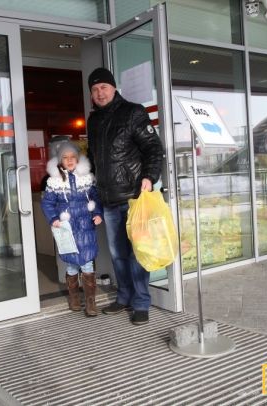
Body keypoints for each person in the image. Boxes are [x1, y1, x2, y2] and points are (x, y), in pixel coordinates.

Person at [86, 67, 164, 326]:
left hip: (134, 198)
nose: (100, 93)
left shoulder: (133, 112)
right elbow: (94, 158)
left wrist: (149, 176)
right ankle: (124, 296)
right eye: (95, 89)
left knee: (137, 254)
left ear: (113, 88)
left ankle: (141, 303)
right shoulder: (93, 121)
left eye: (104, 87)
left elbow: (153, 148)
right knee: (118, 255)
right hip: (109, 200)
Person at [41, 141, 103, 317]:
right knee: (72, 264)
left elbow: (96, 198)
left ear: (78, 159)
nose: (69, 160)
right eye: (65, 158)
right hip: (67, 228)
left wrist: (97, 213)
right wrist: (53, 218)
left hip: (85, 227)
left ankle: (90, 301)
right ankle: (74, 297)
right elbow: (47, 203)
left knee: (87, 262)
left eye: (72, 157)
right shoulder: (54, 182)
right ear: (60, 161)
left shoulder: (87, 178)